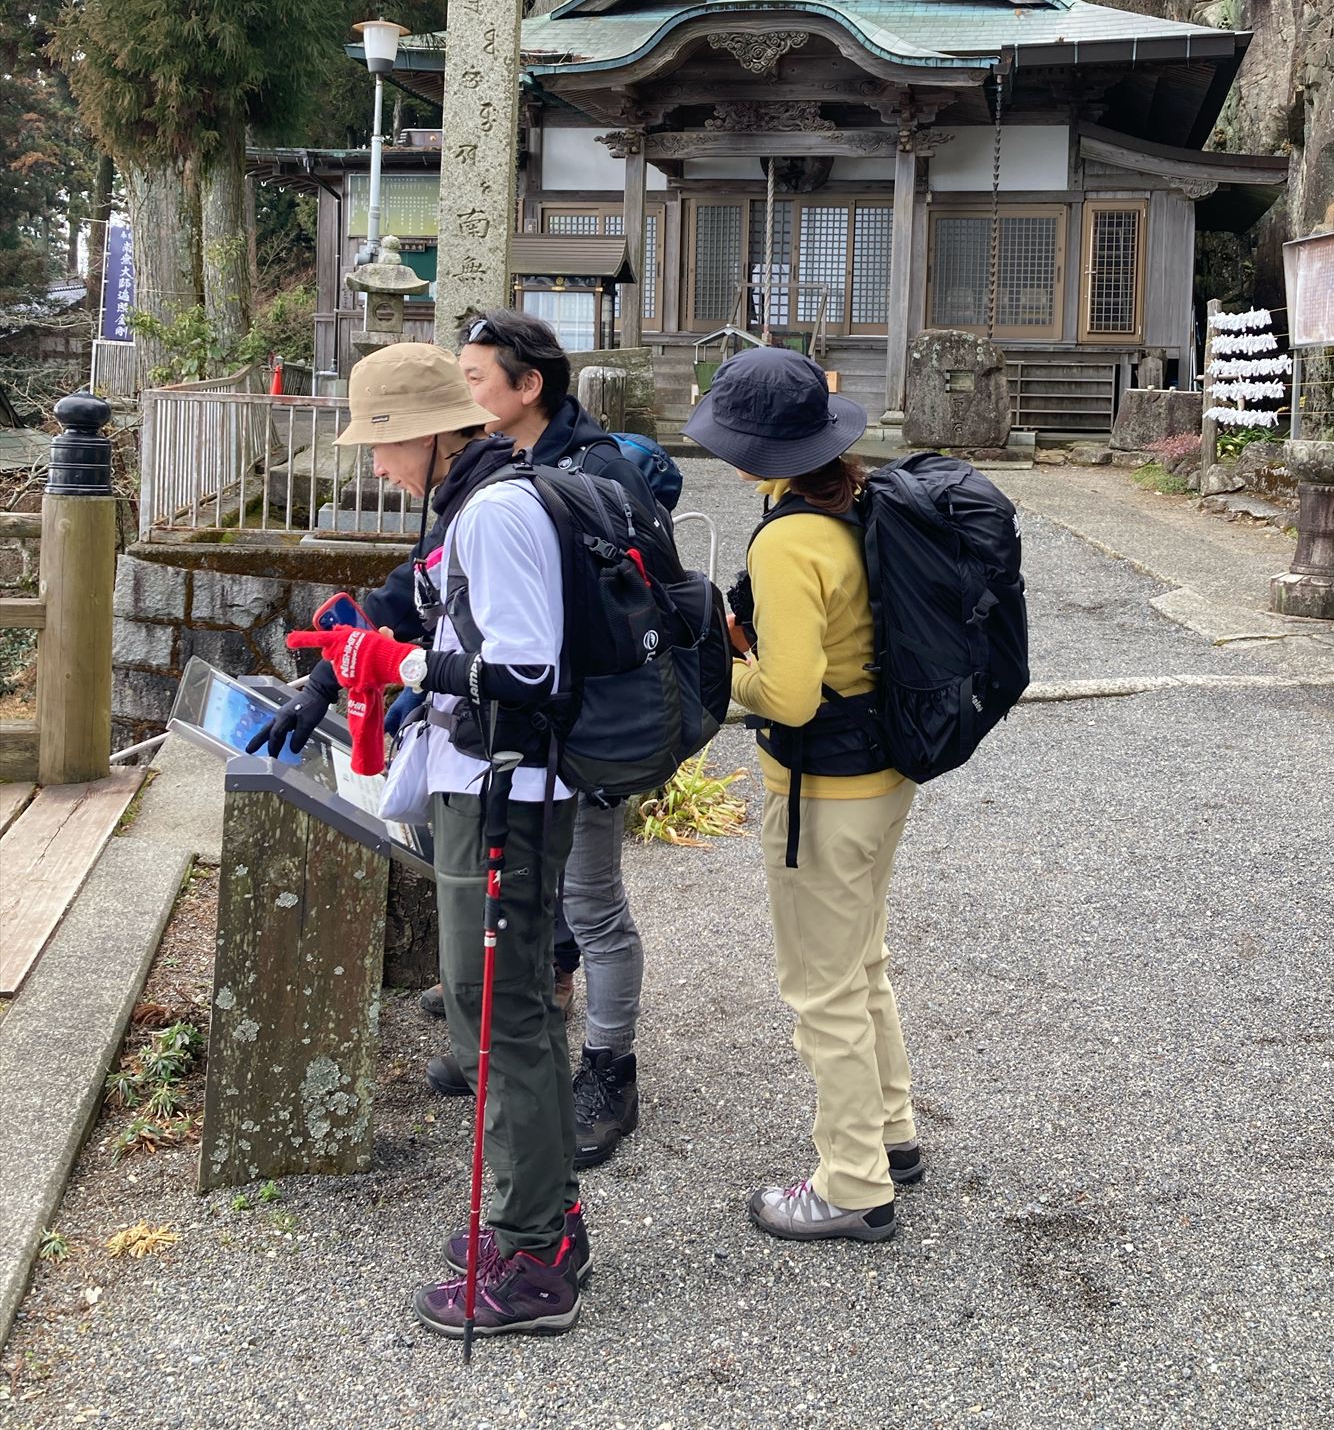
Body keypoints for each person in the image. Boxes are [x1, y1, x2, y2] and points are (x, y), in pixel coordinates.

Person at [289, 341, 585, 1336]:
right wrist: (336, 670)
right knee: (498, 1007)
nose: (377, 467)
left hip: (507, 790)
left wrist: (404, 666)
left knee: (498, 1012)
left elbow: (530, 674)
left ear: (428, 434)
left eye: (381, 444)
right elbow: (422, 606)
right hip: (493, 782)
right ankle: (543, 1218)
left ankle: (534, 1256)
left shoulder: (494, 512)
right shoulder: (479, 500)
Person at [683, 346, 921, 1242]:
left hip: (822, 790)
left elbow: (787, 696)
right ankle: (891, 1133)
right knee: (860, 964)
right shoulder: (854, 505)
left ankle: (853, 1184)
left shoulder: (788, 540)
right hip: (883, 774)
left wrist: (719, 668)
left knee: (821, 990)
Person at [453, 309, 664, 1169]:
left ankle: (613, 1071)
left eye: (475, 377)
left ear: (528, 384)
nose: (463, 391)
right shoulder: (501, 460)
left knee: (594, 899)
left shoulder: (598, 467)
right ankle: (537, 1012)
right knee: (544, 892)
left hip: (587, 722)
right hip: (529, 724)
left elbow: (642, 599)